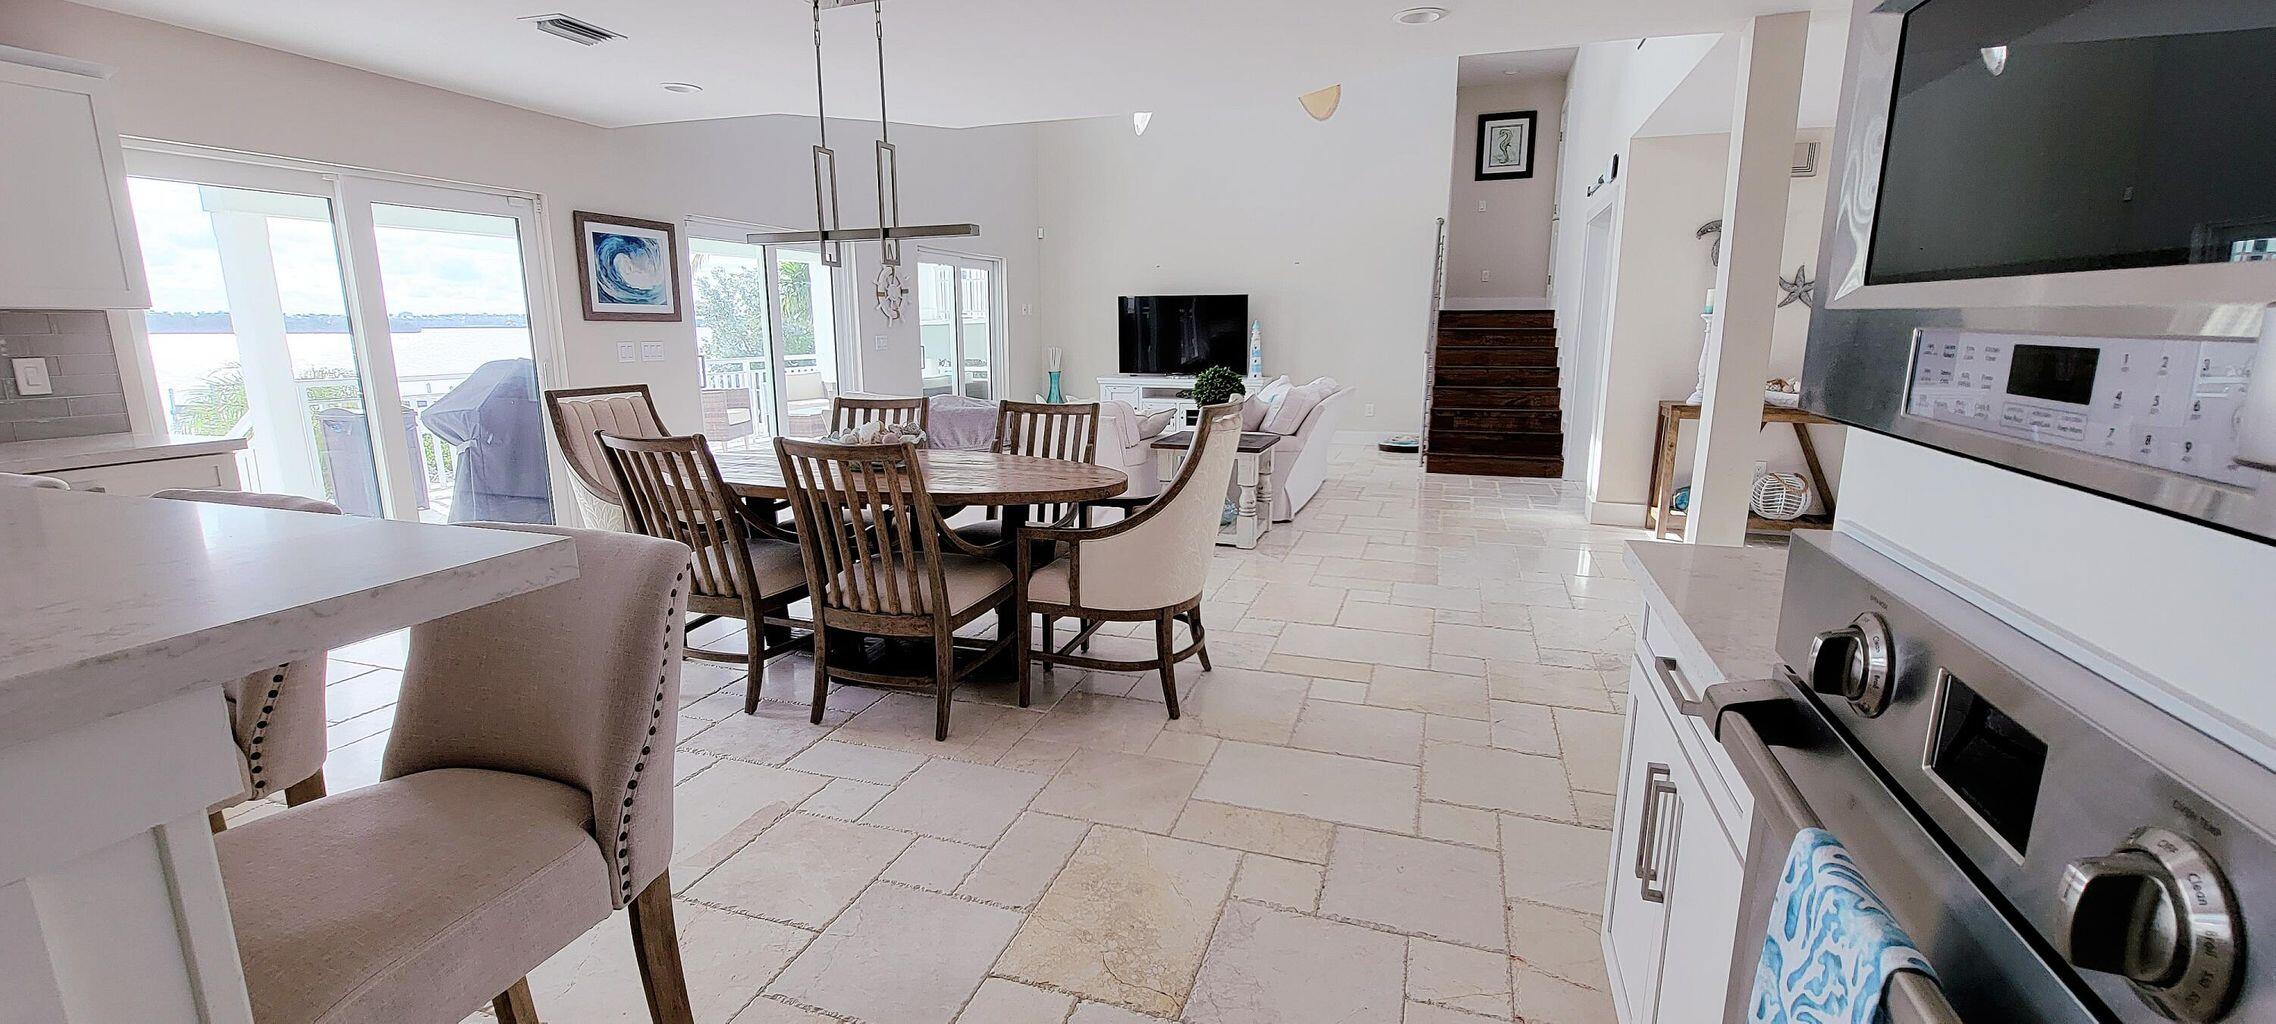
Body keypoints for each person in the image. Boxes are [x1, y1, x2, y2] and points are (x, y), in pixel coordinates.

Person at [418, 358, 553, 524]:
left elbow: (432, 416)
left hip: (504, 492)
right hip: (526, 490)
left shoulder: (485, 416)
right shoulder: (529, 414)